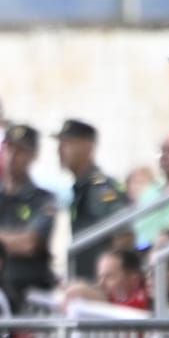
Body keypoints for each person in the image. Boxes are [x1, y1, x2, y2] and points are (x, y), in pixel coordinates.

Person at [0, 124, 59, 305]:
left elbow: (29, 243)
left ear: (32, 155)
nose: (12, 157)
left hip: (26, 294)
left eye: (21, 151)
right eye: (8, 149)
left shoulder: (43, 200)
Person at [57, 119, 131, 280]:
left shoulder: (100, 188)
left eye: (68, 143)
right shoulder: (81, 186)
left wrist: (111, 279)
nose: (60, 149)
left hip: (97, 282)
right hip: (83, 278)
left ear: (88, 147)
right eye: (60, 143)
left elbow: (123, 234)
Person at [63, 248, 148, 310]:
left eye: (109, 277)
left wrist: (83, 291)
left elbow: (116, 311)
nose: (101, 283)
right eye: (100, 277)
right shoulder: (115, 295)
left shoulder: (144, 298)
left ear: (133, 280)